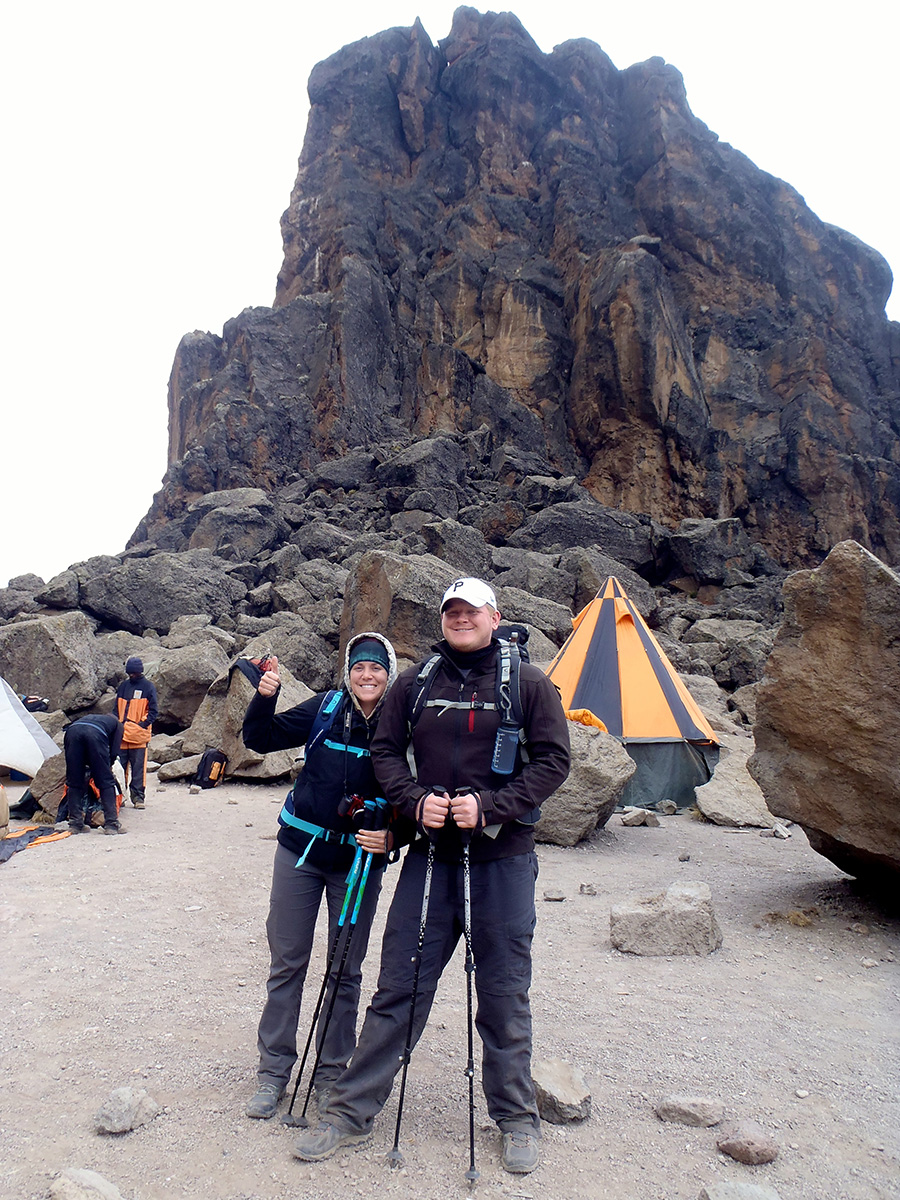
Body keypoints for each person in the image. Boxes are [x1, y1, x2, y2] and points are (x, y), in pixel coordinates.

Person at [292, 577, 571, 1175]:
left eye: (471, 610)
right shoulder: (414, 685)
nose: (461, 618)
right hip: (430, 859)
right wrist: (414, 801)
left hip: (502, 861)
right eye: (452, 611)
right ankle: (349, 1113)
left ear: (494, 617)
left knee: (502, 994)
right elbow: (386, 752)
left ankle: (517, 1118)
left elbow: (554, 761)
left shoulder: (528, 683)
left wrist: (491, 807)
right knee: (399, 988)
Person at [241, 632, 400, 1121]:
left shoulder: (402, 722)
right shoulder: (326, 707)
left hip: (358, 863)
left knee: (344, 969)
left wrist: (396, 834)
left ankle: (331, 1069)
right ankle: (273, 1073)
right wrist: (263, 700)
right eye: (359, 666)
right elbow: (260, 739)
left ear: (389, 673)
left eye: (376, 668)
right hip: (300, 853)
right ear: (348, 671)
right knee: (287, 961)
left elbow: (415, 789)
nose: (367, 675)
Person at [63, 712, 126, 835]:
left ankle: (75, 824)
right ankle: (111, 825)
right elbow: (114, 752)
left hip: (72, 732)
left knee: (74, 781)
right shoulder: (118, 725)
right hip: (94, 734)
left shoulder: (92, 717)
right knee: (106, 782)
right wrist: (106, 768)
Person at [115, 657, 159, 809]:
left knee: (138, 769)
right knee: (119, 769)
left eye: (134, 672)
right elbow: (116, 709)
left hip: (139, 736)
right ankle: (119, 798)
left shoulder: (148, 687)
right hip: (121, 735)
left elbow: (153, 711)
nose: (132, 675)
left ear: (140, 671)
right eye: (130, 673)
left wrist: (142, 725)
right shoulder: (123, 687)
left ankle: (138, 798)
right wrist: (117, 725)